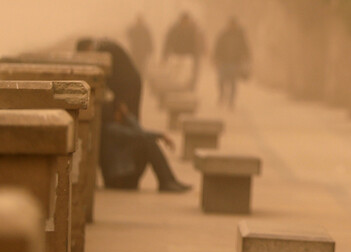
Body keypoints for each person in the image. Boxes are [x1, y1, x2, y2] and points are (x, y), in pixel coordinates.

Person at [76, 38, 189, 192]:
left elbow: (135, 129)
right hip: (117, 179)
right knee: (147, 141)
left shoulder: (115, 116)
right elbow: (138, 134)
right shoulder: (108, 126)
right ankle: (167, 181)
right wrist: (160, 135)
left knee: (146, 140)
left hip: (125, 173)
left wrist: (126, 114)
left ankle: (168, 181)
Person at [212, 16, 251, 109]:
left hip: (235, 62)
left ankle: (231, 101)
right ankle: (221, 95)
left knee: (233, 82)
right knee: (221, 81)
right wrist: (216, 58)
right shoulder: (223, 35)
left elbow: (245, 47)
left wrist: (246, 58)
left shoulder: (240, 36)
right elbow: (217, 46)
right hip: (223, 61)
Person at [162, 11, 204, 90]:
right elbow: (168, 42)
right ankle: (175, 89)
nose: (185, 22)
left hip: (188, 56)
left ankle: (186, 89)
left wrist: (197, 56)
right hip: (176, 55)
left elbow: (197, 44)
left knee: (186, 75)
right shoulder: (174, 29)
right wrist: (165, 55)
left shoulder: (193, 30)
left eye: (186, 20)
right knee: (174, 75)